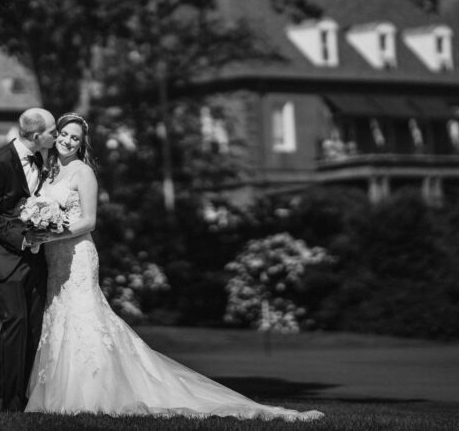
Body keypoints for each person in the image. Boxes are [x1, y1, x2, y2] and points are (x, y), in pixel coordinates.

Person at [25, 113, 323, 421]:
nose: (68, 141)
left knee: (83, 318)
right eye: (64, 134)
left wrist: (52, 231)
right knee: (59, 316)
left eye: (75, 138)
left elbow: (89, 221)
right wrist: (38, 227)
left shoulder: (82, 172)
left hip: (78, 256)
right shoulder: (48, 174)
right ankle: (58, 394)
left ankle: (90, 392)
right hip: (54, 259)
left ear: (82, 143)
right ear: (55, 134)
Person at [0, 107, 57, 412]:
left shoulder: (44, 158)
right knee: (16, 325)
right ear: (37, 136)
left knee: (35, 327)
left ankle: (29, 397)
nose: (56, 135)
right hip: (5, 258)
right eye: (52, 131)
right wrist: (21, 238)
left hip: (34, 258)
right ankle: (10, 403)